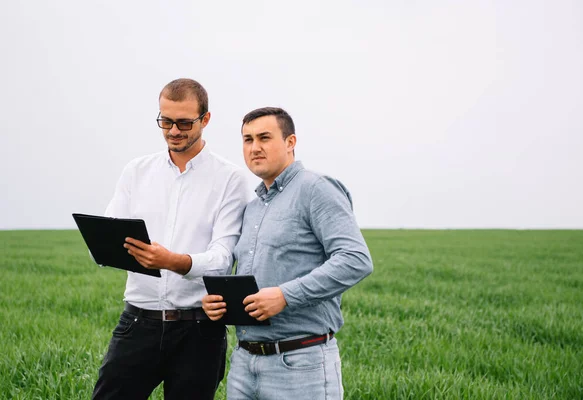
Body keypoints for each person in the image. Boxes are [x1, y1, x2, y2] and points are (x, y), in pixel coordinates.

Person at [92, 78, 251, 400]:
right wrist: (105, 244)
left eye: (184, 123)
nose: (174, 131)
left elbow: (223, 256)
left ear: (205, 120)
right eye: (166, 121)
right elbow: (111, 229)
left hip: (199, 330)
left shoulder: (230, 178)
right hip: (137, 321)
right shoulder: (136, 171)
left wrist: (176, 262)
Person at [202, 107, 373, 399]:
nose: (255, 147)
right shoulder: (252, 206)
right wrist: (220, 304)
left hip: (300, 364)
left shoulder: (316, 189)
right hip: (244, 362)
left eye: (264, 138)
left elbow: (355, 259)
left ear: (290, 142)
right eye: (247, 139)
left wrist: (284, 296)